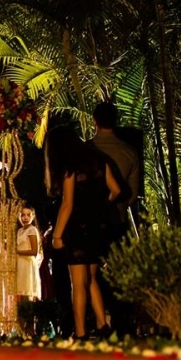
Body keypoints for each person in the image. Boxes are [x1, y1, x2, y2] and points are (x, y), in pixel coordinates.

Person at [46, 125, 121, 340]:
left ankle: (80, 332)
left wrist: (57, 235)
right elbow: (116, 190)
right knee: (92, 278)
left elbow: (67, 203)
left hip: (77, 228)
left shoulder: (70, 166)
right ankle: (102, 324)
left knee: (77, 283)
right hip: (99, 225)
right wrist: (99, 205)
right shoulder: (98, 159)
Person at [90, 101, 140, 336]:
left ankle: (97, 321)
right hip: (117, 219)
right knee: (119, 271)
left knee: (91, 273)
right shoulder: (129, 152)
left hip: (89, 222)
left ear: (95, 121)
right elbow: (131, 193)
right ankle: (122, 321)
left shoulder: (86, 150)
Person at [16, 205, 43, 301]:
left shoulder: (32, 230)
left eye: (28, 215)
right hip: (20, 263)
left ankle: (29, 314)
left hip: (27, 264)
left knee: (27, 292)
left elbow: (34, 251)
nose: (25, 218)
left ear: (33, 216)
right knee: (20, 293)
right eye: (23, 215)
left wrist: (17, 251)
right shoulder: (20, 230)